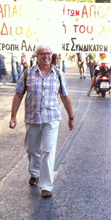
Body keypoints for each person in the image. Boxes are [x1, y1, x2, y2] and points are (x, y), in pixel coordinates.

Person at [9, 45, 75, 198]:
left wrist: (71, 118)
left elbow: (65, 96)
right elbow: (18, 95)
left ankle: (46, 186)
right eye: (43, 54)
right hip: (32, 118)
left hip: (51, 118)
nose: (46, 56)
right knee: (32, 150)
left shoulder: (58, 74)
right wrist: (13, 116)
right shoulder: (28, 74)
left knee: (48, 151)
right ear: (37, 56)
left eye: (49, 53)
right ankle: (35, 172)